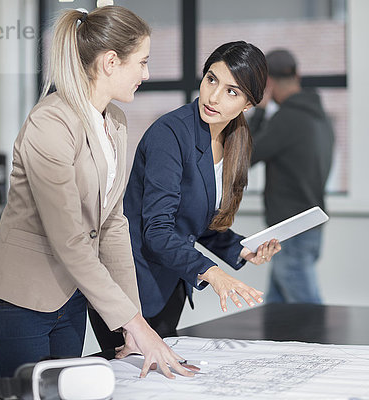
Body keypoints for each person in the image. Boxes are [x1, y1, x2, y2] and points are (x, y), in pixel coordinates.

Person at [0, 6, 197, 380]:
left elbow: (112, 225)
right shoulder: (51, 122)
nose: (146, 74)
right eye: (141, 62)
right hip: (17, 299)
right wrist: (137, 324)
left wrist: (129, 322)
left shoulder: (116, 122)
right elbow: (70, 238)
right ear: (110, 62)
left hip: (70, 298)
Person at [88, 41, 281, 350]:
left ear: (247, 104)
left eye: (232, 91)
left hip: (170, 282)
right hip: (131, 286)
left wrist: (243, 250)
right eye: (212, 79)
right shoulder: (171, 133)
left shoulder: (234, 141)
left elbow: (196, 221)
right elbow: (158, 230)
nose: (214, 96)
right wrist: (213, 272)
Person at [248, 49, 335, 304]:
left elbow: (245, 157)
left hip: (292, 228)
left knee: (308, 310)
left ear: (268, 83)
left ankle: (327, 346)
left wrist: (260, 112)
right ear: (297, 75)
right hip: (310, 224)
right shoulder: (320, 117)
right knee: (277, 310)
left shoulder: (286, 119)